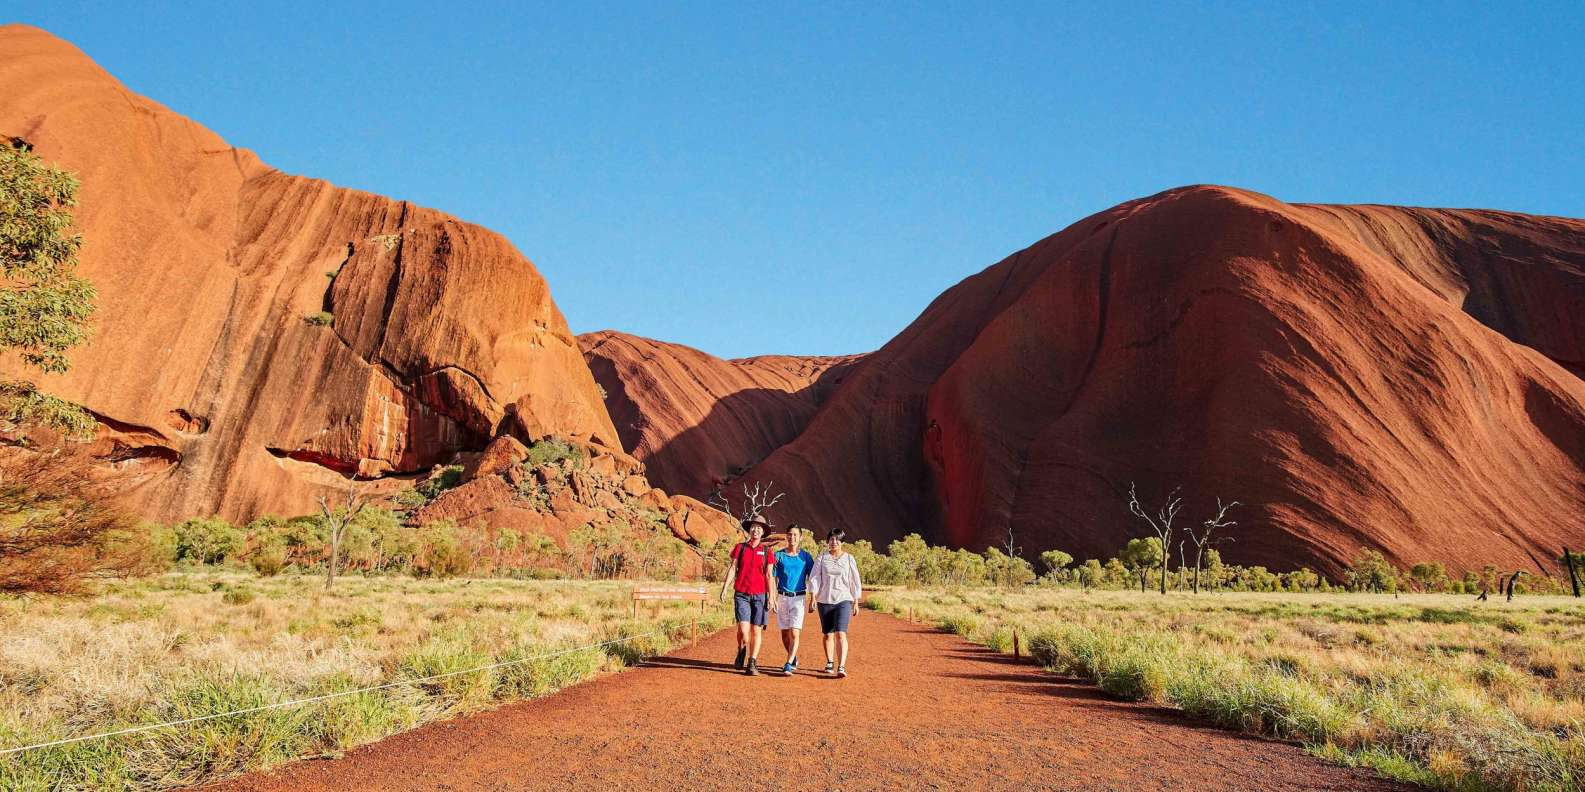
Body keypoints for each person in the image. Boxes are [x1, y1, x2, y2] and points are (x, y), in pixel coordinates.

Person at [719, 516, 775, 676]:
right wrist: (724, 588)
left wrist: (771, 597)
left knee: (756, 631)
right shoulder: (740, 548)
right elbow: (732, 568)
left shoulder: (767, 551)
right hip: (742, 594)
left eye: (759, 528)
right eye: (753, 527)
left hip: (760, 595)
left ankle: (752, 662)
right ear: (749, 530)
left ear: (763, 531)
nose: (756, 530)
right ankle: (741, 649)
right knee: (744, 631)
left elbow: (769, 575)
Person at [809, 528, 862, 678]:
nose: (834, 542)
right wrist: (813, 597)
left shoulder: (849, 558)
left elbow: (854, 580)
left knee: (841, 633)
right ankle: (830, 661)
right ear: (828, 541)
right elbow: (815, 578)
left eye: (837, 540)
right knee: (828, 634)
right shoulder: (822, 558)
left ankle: (841, 666)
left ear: (842, 542)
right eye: (831, 539)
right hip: (824, 600)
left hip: (843, 599)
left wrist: (856, 601)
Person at [771, 524, 815, 676]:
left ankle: (788, 664)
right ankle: (793, 656)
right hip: (782, 597)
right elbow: (772, 577)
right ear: (786, 536)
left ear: (800, 537)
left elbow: (813, 578)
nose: (792, 537)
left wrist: (813, 598)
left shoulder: (806, 557)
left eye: (795, 535)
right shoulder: (778, 556)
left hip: (799, 598)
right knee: (784, 634)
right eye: (790, 534)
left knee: (794, 632)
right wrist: (772, 597)